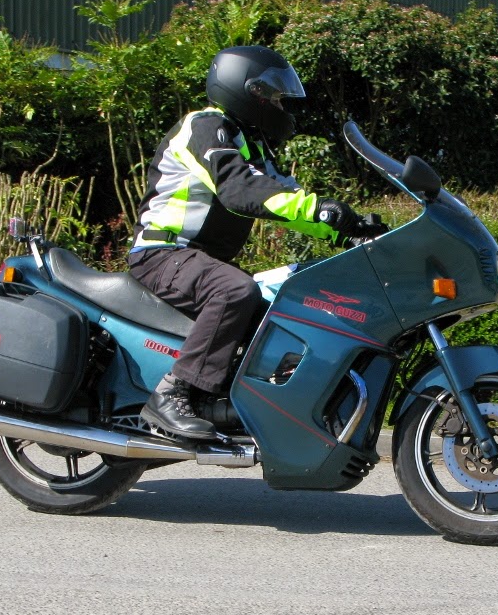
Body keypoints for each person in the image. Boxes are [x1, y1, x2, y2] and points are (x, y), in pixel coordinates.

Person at [128, 45, 376, 440]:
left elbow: (284, 197)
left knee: (274, 305)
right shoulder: (207, 126)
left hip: (196, 260)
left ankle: (231, 401)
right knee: (235, 291)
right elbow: (239, 190)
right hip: (163, 253)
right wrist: (319, 211)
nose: (281, 106)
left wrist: (351, 228)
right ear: (247, 90)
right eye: (274, 96)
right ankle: (172, 393)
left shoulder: (251, 143)